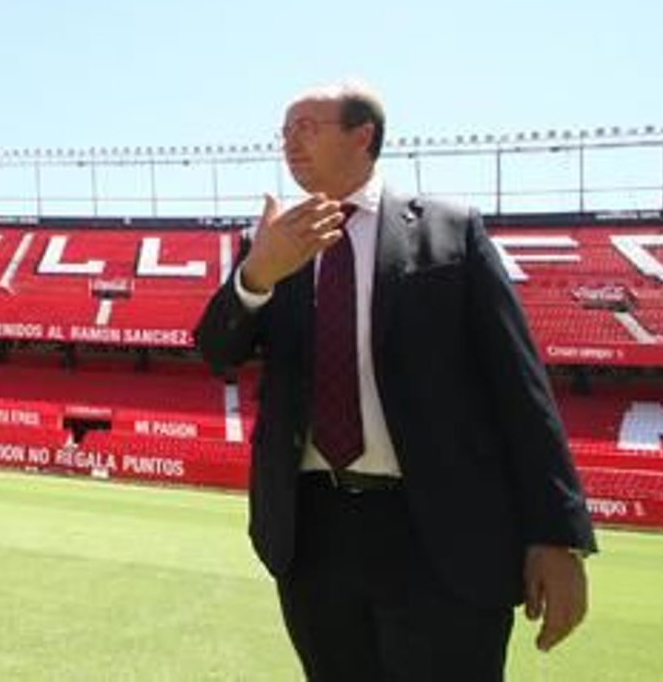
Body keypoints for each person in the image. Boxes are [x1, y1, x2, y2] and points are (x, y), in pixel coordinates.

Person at [194, 81, 595, 680]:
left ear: (364, 136)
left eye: (307, 126)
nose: (289, 142)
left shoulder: (449, 230)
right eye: (284, 132)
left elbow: (520, 388)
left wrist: (556, 536)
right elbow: (217, 349)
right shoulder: (277, 243)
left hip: (441, 535)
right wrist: (256, 275)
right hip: (314, 536)